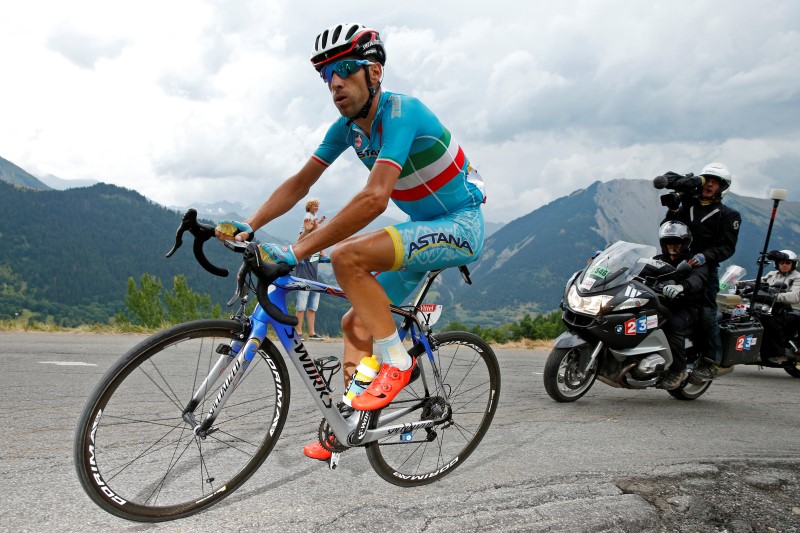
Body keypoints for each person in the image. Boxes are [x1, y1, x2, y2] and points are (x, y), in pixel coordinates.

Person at [214, 23, 486, 461]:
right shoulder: (347, 129)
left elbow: (376, 198)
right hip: (424, 230)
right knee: (355, 326)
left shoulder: (402, 112)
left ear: (374, 73)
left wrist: (296, 251)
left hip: (460, 224)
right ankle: (350, 425)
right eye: (326, 75)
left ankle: (397, 362)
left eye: (345, 69)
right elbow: (301, 183)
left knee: (347, 256)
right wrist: (250, 225)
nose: (335, 82)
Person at [662, 162, 741, 379]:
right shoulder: (688, 205)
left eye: (715, 182)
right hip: (676, 263)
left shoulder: (728, 215)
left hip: (705, 268)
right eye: (707, 180)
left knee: (706, 314)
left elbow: (727, 247)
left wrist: (705, 256)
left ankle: (710, 361)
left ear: (722, 187)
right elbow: (669, 229)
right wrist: (672, 209)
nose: (710, 184)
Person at [654, 221, 709, 390]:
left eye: (677, 242)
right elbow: (638, 270)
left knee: (672, 325)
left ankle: (678, 370)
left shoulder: (693, 262)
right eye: (668, 242)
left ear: (685, 243)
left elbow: (697, 280)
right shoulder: (657, 260)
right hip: (661, 304)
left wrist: (682, 286)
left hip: (687, 307)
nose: (672, 246)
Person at [757, 250, 800, 363]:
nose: (784, 265)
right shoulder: (771, 275)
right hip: (774, 309)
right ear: (777, 264)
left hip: (793, 311)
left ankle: (778, 353)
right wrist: (740, 284)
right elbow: (759, 283)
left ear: (793, 264)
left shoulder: (797, 277)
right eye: (781, 262)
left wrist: (776, 296)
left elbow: (796, 296)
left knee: (770, 321)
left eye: (787, 262)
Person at [295, 199, 326, 340]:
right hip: (303, 276)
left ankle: (312, 333)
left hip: (314, 276)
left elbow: (317, 234)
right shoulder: (307, 221)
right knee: (301, 305)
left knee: (313, 306)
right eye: (315, 205)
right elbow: (300, 241)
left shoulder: (315, 242)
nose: (317, 207)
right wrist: (307, 230)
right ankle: (298, 332)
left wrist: (322, 251)